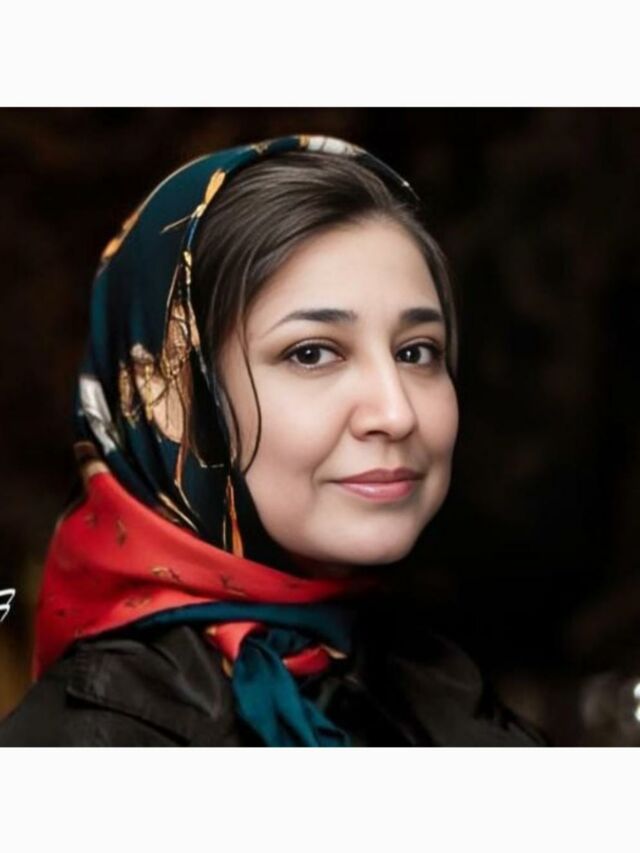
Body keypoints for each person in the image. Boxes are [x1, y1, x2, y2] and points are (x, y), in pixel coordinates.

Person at [0, 133, 546, 746]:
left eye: (416, 351)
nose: (396, 414)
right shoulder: (87, 742)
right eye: (311, 353)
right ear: (179, 396)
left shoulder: (440, 684)